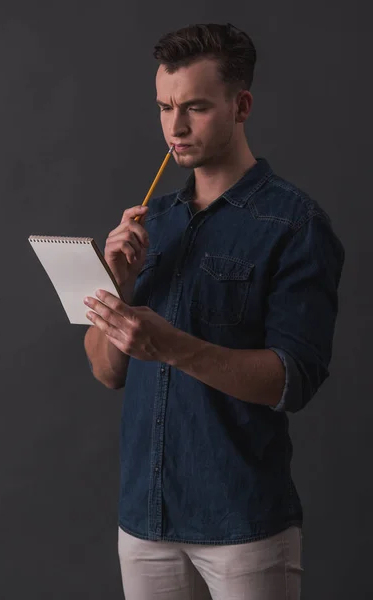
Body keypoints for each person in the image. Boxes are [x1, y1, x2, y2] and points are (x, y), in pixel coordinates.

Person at [83, 22, 345, 600]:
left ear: (241, 104)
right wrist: (120, 289)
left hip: (243, 523)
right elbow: (107, 371)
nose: (174, 128)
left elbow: (293, 379)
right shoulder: (154, 220)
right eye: (164, 107)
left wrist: (172, 345)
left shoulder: (295, 225)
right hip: (145, 520)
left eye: (195, 108)